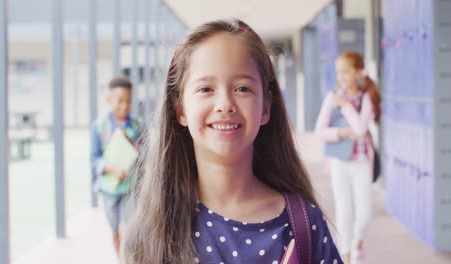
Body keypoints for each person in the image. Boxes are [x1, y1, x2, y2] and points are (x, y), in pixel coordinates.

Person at [122, 19, 342, 264]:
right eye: (206, 89)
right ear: (180, 109)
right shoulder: (151, 233)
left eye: (242, 88)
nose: (225, 104)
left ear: (266, 106)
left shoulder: (303, 224)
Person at [315, 51, 381, 264]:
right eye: (338, 72)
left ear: (359, 72)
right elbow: (320, 130)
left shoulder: (366, 97)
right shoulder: (332, 96)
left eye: (345, 71)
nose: (341, 76)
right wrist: (341, 133)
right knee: (343, 207)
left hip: (361, 160)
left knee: (364, 212)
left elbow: (361, 129)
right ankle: (344, 254)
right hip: (339, 161)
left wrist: (344, 105)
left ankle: (358, 239)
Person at [90, 76, 143, 256]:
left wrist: (134, 146)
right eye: (120, 101)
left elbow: (146, 154)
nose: (124, 106)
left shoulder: (138, 126)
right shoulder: (99, 126)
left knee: (127, 230)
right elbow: (94, 158)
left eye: (128, 101)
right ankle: (121, 258)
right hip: (110, 190)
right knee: (115, 231)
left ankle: (127, 257)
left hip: (131, 188)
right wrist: (111, 168)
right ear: (109, 100)